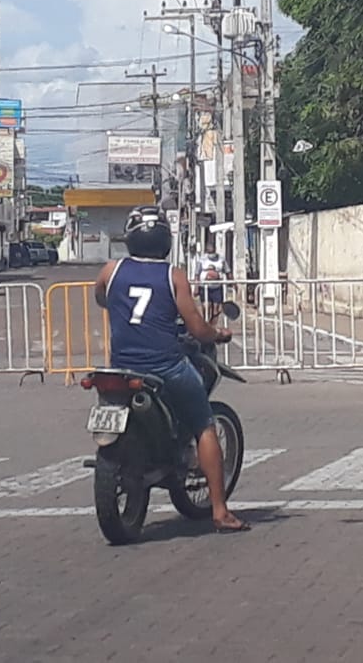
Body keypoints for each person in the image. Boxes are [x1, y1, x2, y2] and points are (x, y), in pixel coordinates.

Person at [94, 206, 250, 533]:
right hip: (165, 366)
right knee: (204, 423)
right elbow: (196, 328)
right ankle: (220, 511)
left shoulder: (111, 270)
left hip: (120, 367)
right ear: (165, 238)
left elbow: (102, 299)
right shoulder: (172, 275)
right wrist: (217, 333)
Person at [194, 240, 230, 321]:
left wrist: (233, 283)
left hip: (217, 287)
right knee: (206, 307)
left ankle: (212, 326)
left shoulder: (221, 259)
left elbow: (228, 271)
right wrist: (196, 287)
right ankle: (206, 324)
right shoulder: (202, 259)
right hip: (204, 287)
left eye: (212, 251)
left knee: (216, 310)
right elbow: (197, 273)